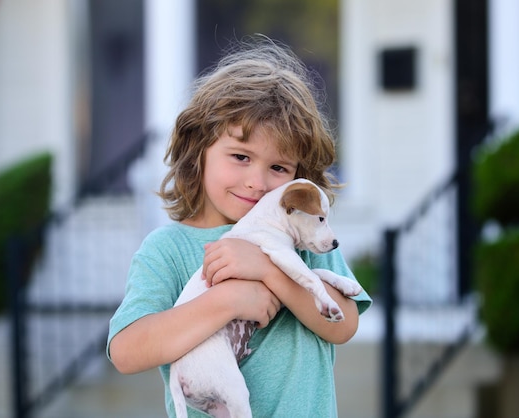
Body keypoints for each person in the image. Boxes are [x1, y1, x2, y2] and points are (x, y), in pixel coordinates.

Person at [107, 36, 372, 417]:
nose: (258, 182)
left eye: (279, 168)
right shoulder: (169, 248)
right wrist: (226, 300)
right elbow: (127, 352)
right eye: (241, 156)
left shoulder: (305, 239)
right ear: (198, 152)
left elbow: (343, 326)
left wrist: (267, 269)